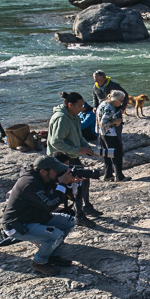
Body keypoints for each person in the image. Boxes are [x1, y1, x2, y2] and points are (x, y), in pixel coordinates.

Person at [1, 155, 79, 276]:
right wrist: (62, 184)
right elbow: (51, 204)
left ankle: (52, 255)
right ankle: (39, 263)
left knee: (69, 221)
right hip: (18, 225)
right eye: (56, 171)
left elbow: (57, 196)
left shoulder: (43, 178)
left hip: (35, 217)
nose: (59, 173)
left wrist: (68, 184)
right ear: (43, 171)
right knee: (55, 235)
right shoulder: (29, 183)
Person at [48, 91, 101, 227]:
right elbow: (56, 142)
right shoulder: (62, 118)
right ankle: (79, 216)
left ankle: (87, 206)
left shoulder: (74, 116)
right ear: (70, 105)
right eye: (79, 106)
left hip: (72, 155)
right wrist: (77, 150)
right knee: (76, 185)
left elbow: (79, 137)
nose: (82, 109)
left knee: (85, 179)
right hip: (62, 159)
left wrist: (88, 149)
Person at [96, 90, 129, 181]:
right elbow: (104, 122)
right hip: (109, 134)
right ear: (115, 99)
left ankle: (108, 174)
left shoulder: (102, 103)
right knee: (117, 154)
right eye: (121, 100)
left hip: (101, 133)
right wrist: (115, 122)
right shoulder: (109, 108)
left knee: (107, 154)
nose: (122, 103)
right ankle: (119, 176)